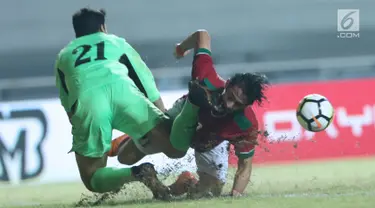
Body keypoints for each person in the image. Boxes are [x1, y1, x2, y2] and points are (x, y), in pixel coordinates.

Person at [55, 8, 206, 198]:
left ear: (76, 32)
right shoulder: (116, 42)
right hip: (125, 95)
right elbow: (146, 84)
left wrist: (84, 131)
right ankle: (138, 139)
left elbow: (68, 103)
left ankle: (137, 172)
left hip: (88, 105)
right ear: (103, 27)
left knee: (93, 178)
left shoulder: (64, 56)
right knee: (175, 148)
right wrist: (162, 121)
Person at [110, 29, 269, 198]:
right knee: (125, 158)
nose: (230, 105)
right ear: (227, 84)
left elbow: (245, 165)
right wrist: (181, 48)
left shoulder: (246, 124)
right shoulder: (206, 77)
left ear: (247, 106)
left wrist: (236, 193)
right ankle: (133, 136)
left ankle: (183, 183)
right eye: (230, 96)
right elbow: (203, 35)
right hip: (183, 114)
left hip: (209, 141)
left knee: (210, 192)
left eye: (238, 104)